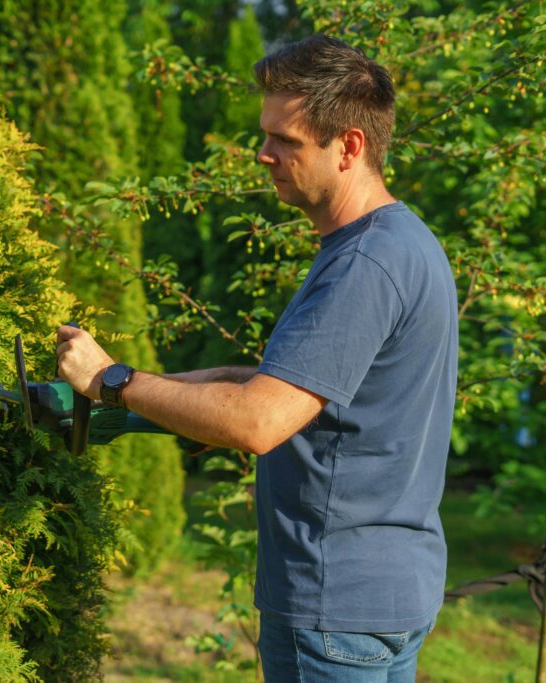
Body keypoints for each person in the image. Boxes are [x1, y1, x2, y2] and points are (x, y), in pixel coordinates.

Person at [56, 34, 458, 682]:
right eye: (264, 134)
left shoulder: (363, 263)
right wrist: (130, 400)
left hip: (332, 606)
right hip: (388, 593)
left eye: (286, 141)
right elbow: (280, 388)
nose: (262, 153)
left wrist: (113, 380)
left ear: (349, 146)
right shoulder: (405, 243)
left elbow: (257, 421)